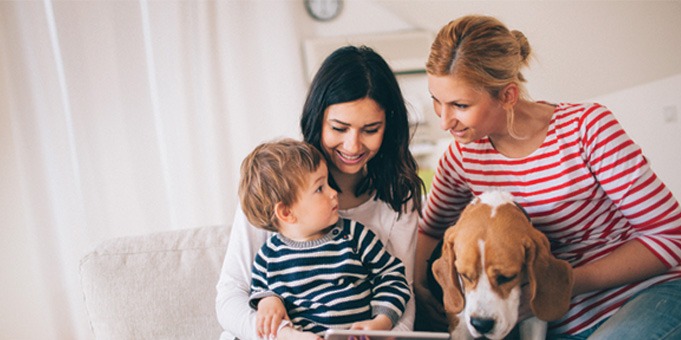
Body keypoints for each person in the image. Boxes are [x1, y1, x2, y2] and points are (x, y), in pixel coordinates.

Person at [414, 15, 681, 339]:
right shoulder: (461, 157)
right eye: (436, 101)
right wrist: (420, 290)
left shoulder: (586, 129)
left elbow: (670, 236)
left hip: (643, 296)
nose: (445, 121)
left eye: (459, 104)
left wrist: (562, 286)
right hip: (543, 317)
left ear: (508, 95)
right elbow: (430, 230)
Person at [216, 45, 425, 340]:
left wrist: (383, 331)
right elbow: (232, 295)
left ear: (388, 128)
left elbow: (401, 288)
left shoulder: (396, 198)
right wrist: (285, 334)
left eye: (370, 129)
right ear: (319, 118)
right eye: (339, 127)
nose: (353, 146)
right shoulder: (276, 183)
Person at [239, 138, 411, 338]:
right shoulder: (268, 257)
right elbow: (260, 294)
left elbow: (392, 278)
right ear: (286, 212)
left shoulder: (355, 236)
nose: (333, 192)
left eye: (328, 183)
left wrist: (382, 321)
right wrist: (269, 301)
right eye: (320, 188)